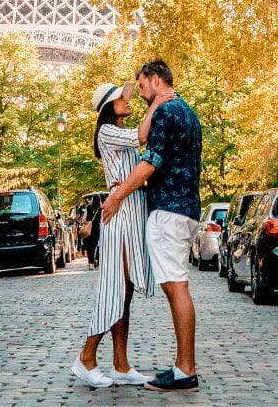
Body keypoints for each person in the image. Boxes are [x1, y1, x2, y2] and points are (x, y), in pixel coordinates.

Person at [102, 60, 202, 394]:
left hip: (168, 212)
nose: (142, 93)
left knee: (176, 288)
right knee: (179, 286)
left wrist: (116, 197)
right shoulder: (187, 111)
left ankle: (185, 369)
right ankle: (182, 366)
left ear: (155, 80)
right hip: (187, 208)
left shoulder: (164, 114)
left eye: (142, 86)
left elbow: (150, 162)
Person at [71, 80, 174, 389]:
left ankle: (121, 364)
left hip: (131, 210)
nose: (129, 101)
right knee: (115, 289)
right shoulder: (107, 131)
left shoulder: (114, 132)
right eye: (122, 99)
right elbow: (141, 135)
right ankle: (86, 358)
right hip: (120, 211)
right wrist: (158, 101)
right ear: (109, 106)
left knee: (125, 292)